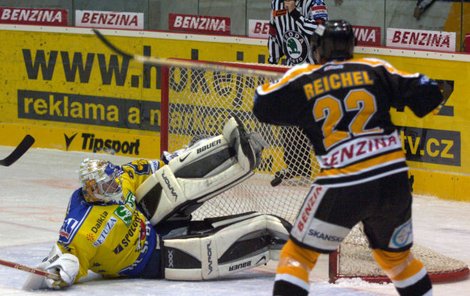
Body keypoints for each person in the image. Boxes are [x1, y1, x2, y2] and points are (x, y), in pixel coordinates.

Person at [253, 20, 445, 296]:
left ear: (318, 49)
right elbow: (428, 92)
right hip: (392, 180)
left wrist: (282, 86)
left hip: (343, 180)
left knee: (298, 256)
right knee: (397, 260)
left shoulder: (306, 77)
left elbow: (263, 106)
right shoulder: (374, 68)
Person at [23, 116, 292, 290]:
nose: (115, 185)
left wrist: (186, 156)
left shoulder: (117, 179)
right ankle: (269, 242)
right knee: (208, 248)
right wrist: (61, 271)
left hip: (147, 217)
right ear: (93, 191)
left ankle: (233, 153)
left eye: (113, 179)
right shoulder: (83, 230)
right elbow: (67, 255)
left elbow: (153, 167)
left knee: (168, 179)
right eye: (107, 185)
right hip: (151, 259)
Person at [268, 0, 328, 185]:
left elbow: (321, 32)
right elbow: (274, 32)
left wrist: (295, 13)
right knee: (290, 122)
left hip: (314, 72)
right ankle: (297, 167)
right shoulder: (276, 3)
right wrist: (271, 63)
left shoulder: (315, 3)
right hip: (290, 71)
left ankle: (330, 169)